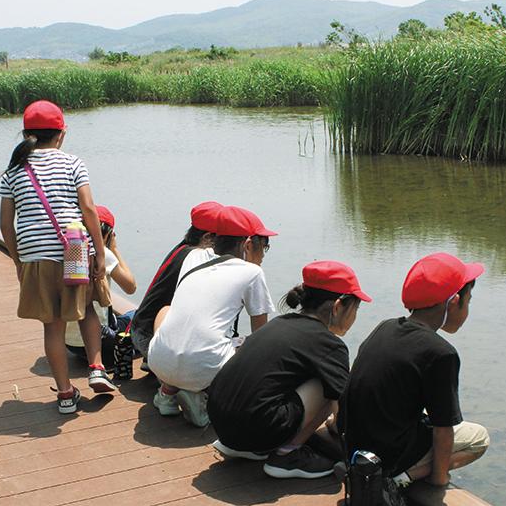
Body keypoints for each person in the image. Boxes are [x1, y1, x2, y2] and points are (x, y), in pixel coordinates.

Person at [338, 252, 491, 506]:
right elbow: (444, 429)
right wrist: (438, 480)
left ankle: (374, 474)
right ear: (454, 302)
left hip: (354, 445)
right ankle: (395, 480)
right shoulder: (441, 353)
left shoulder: (385, 327)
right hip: (387, 454)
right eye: (468, 301)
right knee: (479, 437)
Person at [0, 100, 113, 414]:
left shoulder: (13, 171)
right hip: (74, 248)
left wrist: (18, 260)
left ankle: (65, 395)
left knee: (53, 326)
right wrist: (100, 253)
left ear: (26, 134)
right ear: (61, 134)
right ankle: (97, 368)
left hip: (36, 256)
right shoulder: (73, 163)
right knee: (87, 307)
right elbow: (88, 209)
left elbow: (6, 224)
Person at [207, 261, 370, 479]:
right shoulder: (329, 344)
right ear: (338, 306)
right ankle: (287, 455)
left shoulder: (279, 323)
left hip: (220, 422)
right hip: (253, 426)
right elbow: (343, 404)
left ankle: (250, 446)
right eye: (355, 308)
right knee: (329, 383)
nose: (354, 316)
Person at [147, 205, 277, 427]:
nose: (264, 253)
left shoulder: (193, 256)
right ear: (247, 244)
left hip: (158, 361)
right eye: (264, 245)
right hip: (203, 370)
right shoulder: (252, 273)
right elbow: (260, 335)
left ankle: (168, 392)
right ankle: (200, 395)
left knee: (165, 312)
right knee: (253, 345)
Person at [129, 201, 221, 371]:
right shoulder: (197, 257)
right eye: (223, 237)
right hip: (149, 340)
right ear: (207, 238)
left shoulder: (183, 248)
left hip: (140, 330)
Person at [65, 204, 137, 366]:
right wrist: (115, 249)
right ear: (107, 234)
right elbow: (130, 287)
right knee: (139, 315)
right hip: (101, 343)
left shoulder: (69, 251)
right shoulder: (103, 254)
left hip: (70, 344)